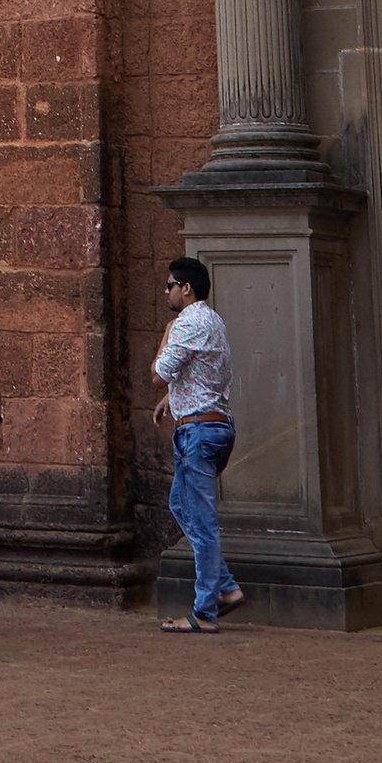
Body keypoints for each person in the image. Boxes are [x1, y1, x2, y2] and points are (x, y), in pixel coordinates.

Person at [152, 255, 240, 633]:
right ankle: (225, 587)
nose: (166, 291)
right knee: (180, 504)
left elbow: (157, 374)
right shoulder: (213, 320)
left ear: (185, 289)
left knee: (202, 521)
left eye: (170, 285)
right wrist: (174, 397)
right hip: (215, 424)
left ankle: (206, 610)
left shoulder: (186, 323)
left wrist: (167, 333)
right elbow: (205, 374)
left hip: (198, 432)